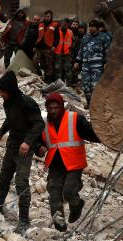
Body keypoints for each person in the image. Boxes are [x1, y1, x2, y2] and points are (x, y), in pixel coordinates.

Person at [0, 71, 44, 234]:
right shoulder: (8, 103)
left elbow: (39, 124)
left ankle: (24, 220)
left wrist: (28, 142)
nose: (0, 94)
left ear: (10, 89)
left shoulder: (28, 103)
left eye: (2, 91)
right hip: (13, 144)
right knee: (4, 175)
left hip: (25, 148)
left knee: (21, 182)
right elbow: (10, 120)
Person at [37, 93, 99, 231]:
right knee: (54, 192)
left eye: (56, 107)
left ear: (61, 107)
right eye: (50, 108)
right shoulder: (44, 122)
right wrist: (39, 147)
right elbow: (37, 140)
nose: (53, 111)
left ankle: (77, 205)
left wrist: (106, 138)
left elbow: (91, 133)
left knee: (69, 191)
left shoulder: (75, 119)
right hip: (55, 164)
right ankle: (59, 224)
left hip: (73, 163)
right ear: (47, 108)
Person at [76, 20, 112, 107]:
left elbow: (107, 51)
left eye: (93, 27)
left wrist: (106, 62)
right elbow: (81, 50)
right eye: (90, 27)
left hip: (97, 65)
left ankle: (96, 104)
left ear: (97, 28)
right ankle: (89, 103)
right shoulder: (85, 37)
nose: (91, 28)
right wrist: (77, 61)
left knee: (95, 85)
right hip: (85, 64)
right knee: (85, 85)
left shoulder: (104, 37)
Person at [34, 10, 58, 82]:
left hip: (48, 47)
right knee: (35, 61)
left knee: (49, 65)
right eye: (45, 16)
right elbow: (37, 35)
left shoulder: (55, 25)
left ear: (51, 17)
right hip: (39, 47)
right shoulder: (40, 24)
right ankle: (39, 74)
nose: (46, 17)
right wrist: (35, 45)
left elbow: (57, 37)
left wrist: (54, 46)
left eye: (48, 16)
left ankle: (48, 80)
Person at [54, 18, 74, 83]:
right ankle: (58, 83)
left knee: (68, 69)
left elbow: (72, 43)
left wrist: (70, 52)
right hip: (58, 53)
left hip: (67, 53)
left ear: (68, 25)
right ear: (61, 23)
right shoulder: (57, 30)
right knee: (57, 69)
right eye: (64, 23)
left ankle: (68, 84)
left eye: (66, 24)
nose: (64, 25)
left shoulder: (70, 32)